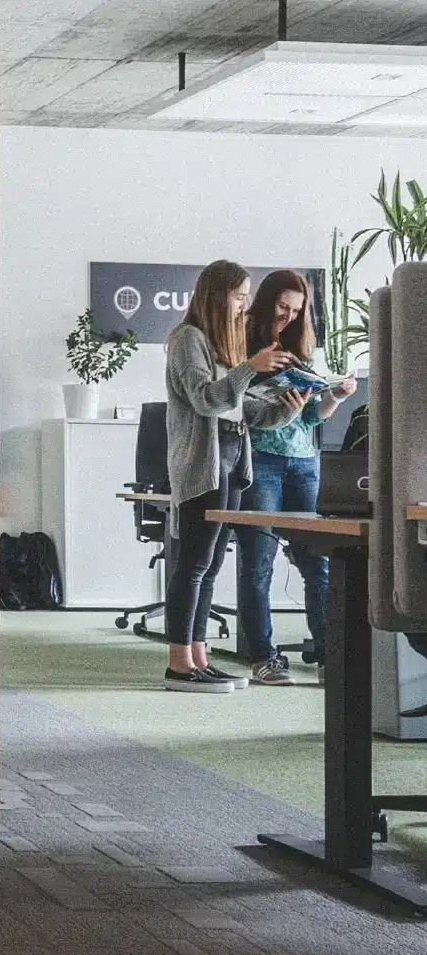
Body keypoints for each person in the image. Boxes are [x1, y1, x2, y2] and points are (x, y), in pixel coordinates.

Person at [163, 260, 304, 694]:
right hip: (202, 465)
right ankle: (178, 663)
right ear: (217, 294)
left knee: (210, 566)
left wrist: (288, 409)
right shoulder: (188, 339)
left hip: (229, 462)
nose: (245, 305)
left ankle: (198, 656)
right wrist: (250, 368)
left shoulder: (223, 344)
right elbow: (206, 401)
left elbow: (243, 411)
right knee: (194, 564)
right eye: (240, 296)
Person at [237, 269, 357, 685]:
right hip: (262, 462)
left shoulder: (302, 349)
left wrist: (335, 398)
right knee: (258, 564)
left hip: (305, 461)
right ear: (265, 302)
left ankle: (329, 656)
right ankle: (263, 656)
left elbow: (312, 415)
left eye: (296, 310)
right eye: (282, 307)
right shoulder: (240, 345)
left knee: (317, 563)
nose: (288, 316)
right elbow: (236, 408)